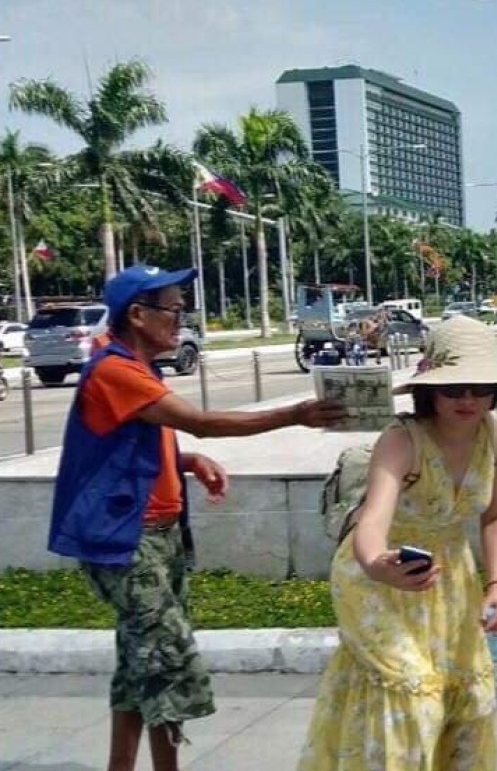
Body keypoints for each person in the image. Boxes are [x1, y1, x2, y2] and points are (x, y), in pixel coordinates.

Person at [47, 265, 346, 771]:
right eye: (173, 309)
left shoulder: (142, 371)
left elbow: (130, 446)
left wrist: (185, 462)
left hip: (159, 533)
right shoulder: (115, 371)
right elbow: (201, 423)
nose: (181, 318)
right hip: (127, 539)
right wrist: (292, 415)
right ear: (138, 316)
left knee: (140, 662)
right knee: (166, 661)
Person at [298, 316, 497, 771]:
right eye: (453, 389)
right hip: (378, 578)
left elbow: (496, 514)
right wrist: (377, 564)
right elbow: (372, 520)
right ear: (429, 389)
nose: (467, 400)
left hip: (449, 576)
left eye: (480, 389)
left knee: (469, 700)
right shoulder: (403, 440)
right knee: (411, 701)